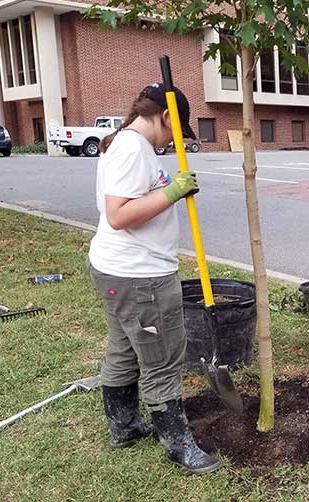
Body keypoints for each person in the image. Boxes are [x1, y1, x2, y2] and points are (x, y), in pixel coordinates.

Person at [87, 83, 220, 474]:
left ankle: (124, 426)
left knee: (124, 348)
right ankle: (178, 446)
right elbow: (119, 215)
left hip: (119, 271)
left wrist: (167, 188)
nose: (170, 142)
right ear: (166, 118)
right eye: (175, 131)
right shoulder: (131, 148)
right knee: (161, 357)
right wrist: (174, 191)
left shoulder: (125, 144)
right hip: (140, 278)